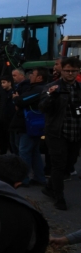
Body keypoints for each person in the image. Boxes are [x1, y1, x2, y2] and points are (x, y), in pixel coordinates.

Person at [40, 57, 81, 210]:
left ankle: (49, 187)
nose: (70, 73)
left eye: (74, 71)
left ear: (78, 71)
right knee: (58, 165)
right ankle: (59, 197)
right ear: (61, 70)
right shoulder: (52, 87)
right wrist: (52, 96)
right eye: (67, 70)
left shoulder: (79, 88)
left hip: (75, 132)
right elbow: (42, 107)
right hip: (57, 132)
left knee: (68, 165)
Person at [13, 67, 48, 187]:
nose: (30, 76)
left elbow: (22, 100)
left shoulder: (38, 89)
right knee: (34, 152)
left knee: (24, 152)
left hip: (30, 125)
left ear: (39, 78)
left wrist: (16, 99)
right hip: (32, 124)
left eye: (32, 74)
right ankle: (39, 177)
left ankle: (24, 179)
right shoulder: (36, 88)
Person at [10, 68, 31, 154]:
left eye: (15, 75)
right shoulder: (17, 86)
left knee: (21, 148)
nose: (13, 77)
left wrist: (16, 100)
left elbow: (20, 104)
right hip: (16, 120)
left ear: (22, 76)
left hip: (22, 121)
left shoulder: (25, 87)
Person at [0, 75, 14, 156]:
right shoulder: (1, 92)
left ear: (9, 83)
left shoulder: (14, 93)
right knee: (2, 141)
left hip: (10, 121)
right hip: (1, 121)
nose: (2, 84)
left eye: (4, 82)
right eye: (1, 83)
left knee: (11, 142)